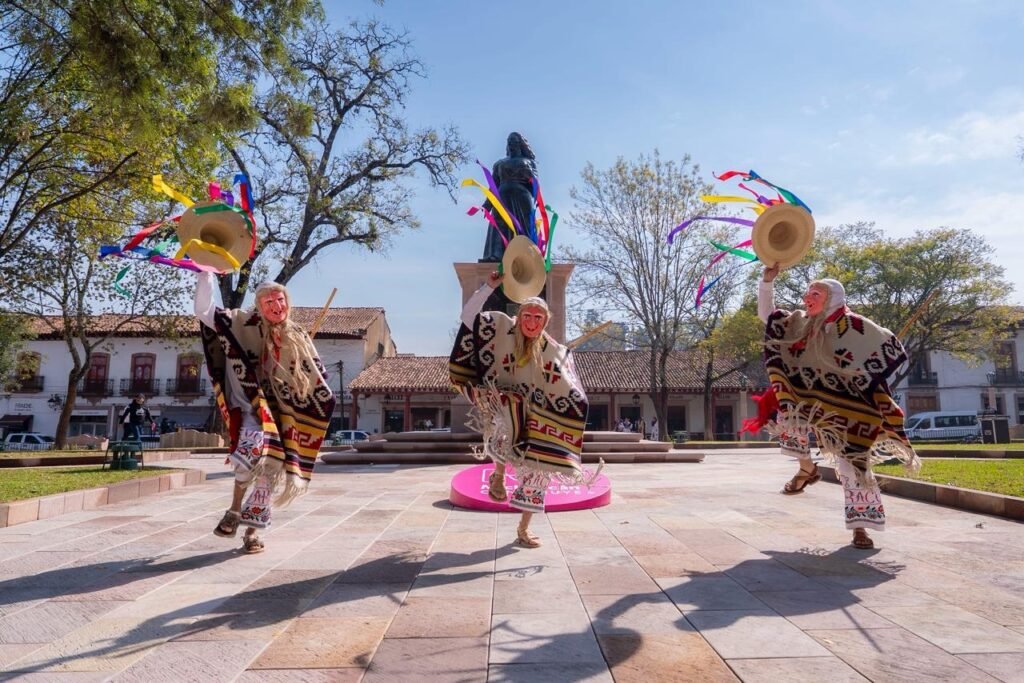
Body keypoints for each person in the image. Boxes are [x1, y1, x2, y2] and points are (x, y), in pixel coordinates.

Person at [748, 262, 919, 549]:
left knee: (852, 465)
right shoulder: (801, 323)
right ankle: (806, 468)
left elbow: (889, 348)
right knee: (786, 411)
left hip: (846, 403)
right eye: (807, 293)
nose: (807, 298)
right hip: (810, 397)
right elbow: (769, 317)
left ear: (833, 298)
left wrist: (861, 371)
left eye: (815, 293)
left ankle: (860, 528)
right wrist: (767, 282)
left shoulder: (854, 325)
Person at [195, 271, 336, 554]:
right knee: (249, 454)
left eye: (280, 300)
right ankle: (234, 510)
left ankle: (251, 533)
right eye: (269, 301)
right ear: (259, 305)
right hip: (250, 407)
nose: (277, 306)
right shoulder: (238, 322)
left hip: (282, 413)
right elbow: (204, 311)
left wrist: (312, 387)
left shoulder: (297, 335)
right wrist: (206, 273)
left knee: (270, 469)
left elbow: (315, 374)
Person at [450, 271, 593, 547]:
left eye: (539, 318)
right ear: (519, 315)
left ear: (545, 322)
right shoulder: (500, 328)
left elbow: (570, 385)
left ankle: (523, 529)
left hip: (537, 416)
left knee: (539, 472)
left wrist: (574, 401)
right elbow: (468, 317)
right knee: (505, 419)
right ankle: (499, 474)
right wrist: (488, 287)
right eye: (527, 315)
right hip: (503, 404)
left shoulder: (554, 351)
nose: (532, 322)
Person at [481, 132, 539, 262]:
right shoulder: (499, 164)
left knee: (525, 225)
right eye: (509, 141)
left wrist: (529, 175)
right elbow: (493, 186)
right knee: (499, 224)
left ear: (520, 144)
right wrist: (487, 204)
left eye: (515, 141)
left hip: (522, 197)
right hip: (502, 198)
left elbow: (535, 185)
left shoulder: (529, 163)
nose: (512, 144)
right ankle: (496, 254)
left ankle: (528, 255)